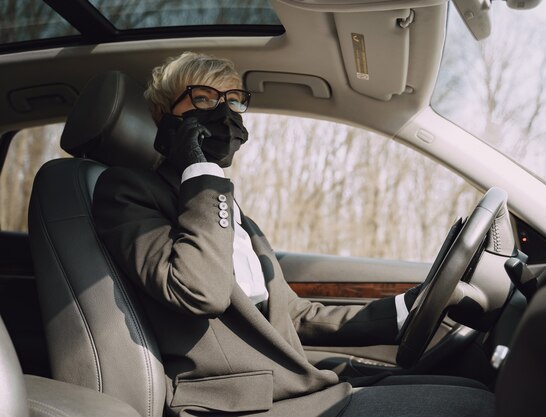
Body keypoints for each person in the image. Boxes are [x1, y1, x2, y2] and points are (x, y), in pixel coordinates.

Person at [93, 52, 493, 417]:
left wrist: (407, 309)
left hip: (288, 385)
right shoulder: (128, 192)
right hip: (234, 404)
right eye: (203, 99)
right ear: (166, 115)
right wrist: (200, 172)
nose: (224, 113)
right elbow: (201, 291)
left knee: (472, 387)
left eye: (233, 100)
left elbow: (294, 314)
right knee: (476, 407)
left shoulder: (229, 211)